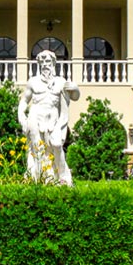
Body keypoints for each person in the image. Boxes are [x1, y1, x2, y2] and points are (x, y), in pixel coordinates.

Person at [18, 50, 80, 185]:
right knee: (37, 149)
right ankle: (38, 179)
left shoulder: (60, 82)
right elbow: (24, 101)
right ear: (39, 64)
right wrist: (21, 115)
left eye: (48, 62)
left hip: (54, 120)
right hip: (35, 117)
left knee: (57, 146)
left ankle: (63, 177)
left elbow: (74, 97)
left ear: (53, 63)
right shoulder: (33, 82)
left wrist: (75, 88)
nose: (45, 64)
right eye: (43, 62)